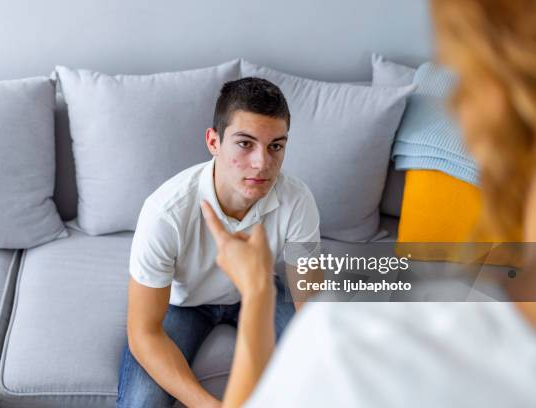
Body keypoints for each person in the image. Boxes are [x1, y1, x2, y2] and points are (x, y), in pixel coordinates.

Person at [201, 1, 536, 407]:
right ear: (213, 143)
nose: (261, 162)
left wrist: (255, 292)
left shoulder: (351, 348)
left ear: (493, 105)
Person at [116, 78, 320, 408]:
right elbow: (143, 333)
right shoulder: (164, 212)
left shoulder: (299, 200)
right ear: (214, 141)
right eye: (245, 144)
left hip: (259, 288)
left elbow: (311, 306)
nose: (262, 164)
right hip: (184, 302)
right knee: (141, 402)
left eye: (275, 146)